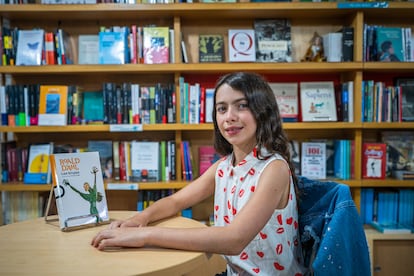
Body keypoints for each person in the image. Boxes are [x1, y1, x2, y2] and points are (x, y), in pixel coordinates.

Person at [91, 72, 306, 275]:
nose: (229, 117)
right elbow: (175, 201)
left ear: (263, 111)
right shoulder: (223, 167)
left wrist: (144, 235)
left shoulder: (274, 168)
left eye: (241, 106)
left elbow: (234, 239)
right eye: (221, 109)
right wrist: (140, 219)